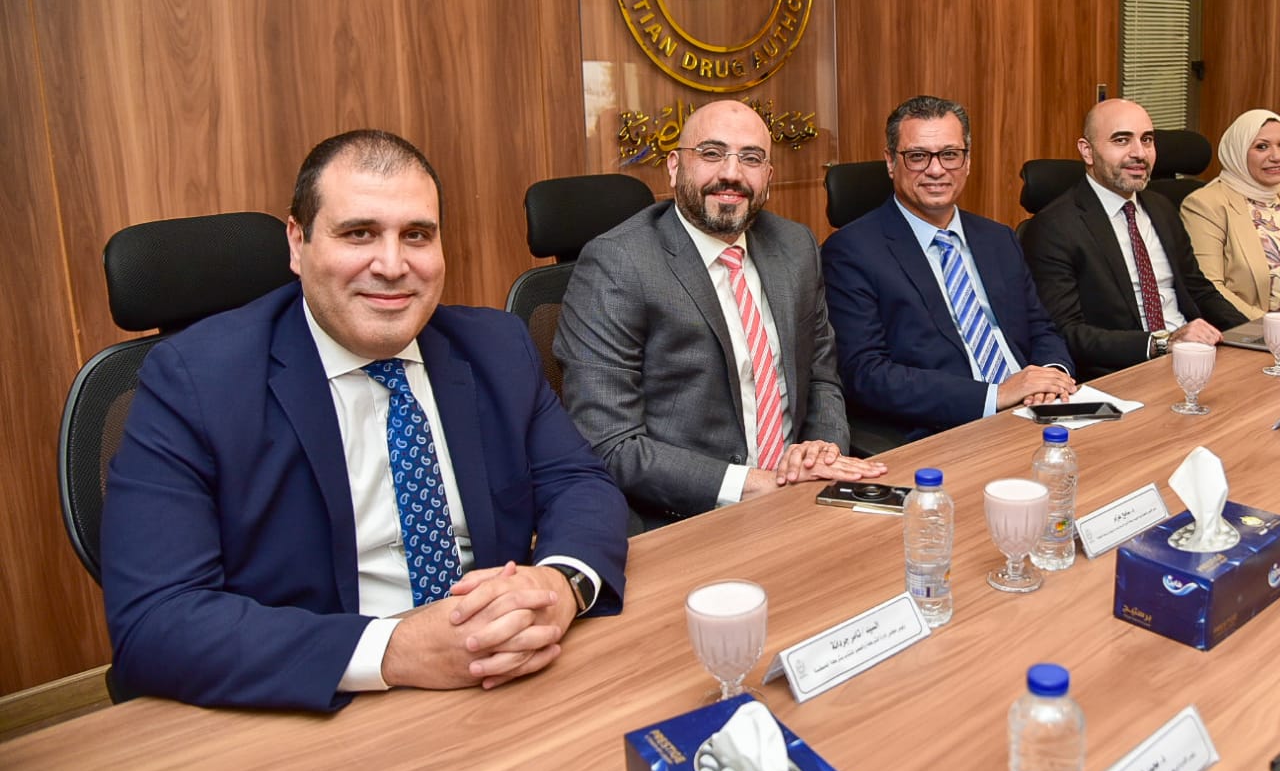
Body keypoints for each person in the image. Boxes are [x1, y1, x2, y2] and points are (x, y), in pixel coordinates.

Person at [102, 130, 629, 712]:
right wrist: (394, 649)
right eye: (359, 233)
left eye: (417, 235)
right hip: (321, 702)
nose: (393, 265)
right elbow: (156, 618)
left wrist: (559, 585)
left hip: (501, 677)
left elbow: (580, 484)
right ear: (298, 243)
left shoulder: (495, 347)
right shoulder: (193, 381)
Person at [554, 100, 884, 529]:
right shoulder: (618, 264)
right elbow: (611, 443)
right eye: (711, 153)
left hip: (803, 495)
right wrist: (754, 484)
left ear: (769, 177)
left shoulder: (795, 246)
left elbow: (821, 377)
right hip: (692, 516)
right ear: (674, 167)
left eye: (751, 158)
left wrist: (821, 451)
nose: (732, 173)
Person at [821, 95, 1076, 438]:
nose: (936, 170)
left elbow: (1040, 327)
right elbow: (866, 373)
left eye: (950, 154)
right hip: (954, 427)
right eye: (917, 156)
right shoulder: (852, 251)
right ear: (891, 162)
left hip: (1040, 408)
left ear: (967, 162)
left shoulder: (998, 238)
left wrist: (1052, 375)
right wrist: (995, 396)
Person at [1022, 99, 1248, 381]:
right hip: (1125, 373)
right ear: (1087, 151)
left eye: (1147, 140)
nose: (1139, 153)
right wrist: (1161, 343)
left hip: (1196, 359)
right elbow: (1067, 332)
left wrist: (1254, 334)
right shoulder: (1054, 227)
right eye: (1121, 140)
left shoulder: (1161, 207)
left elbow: (1198, 290)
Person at [1180, 108, 1280, 319]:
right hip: (1248, 328)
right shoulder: (1205, 205)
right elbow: (1210, 288)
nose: (1276, 156)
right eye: (1262, 147)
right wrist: (1273, 326)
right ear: (1238, 151)